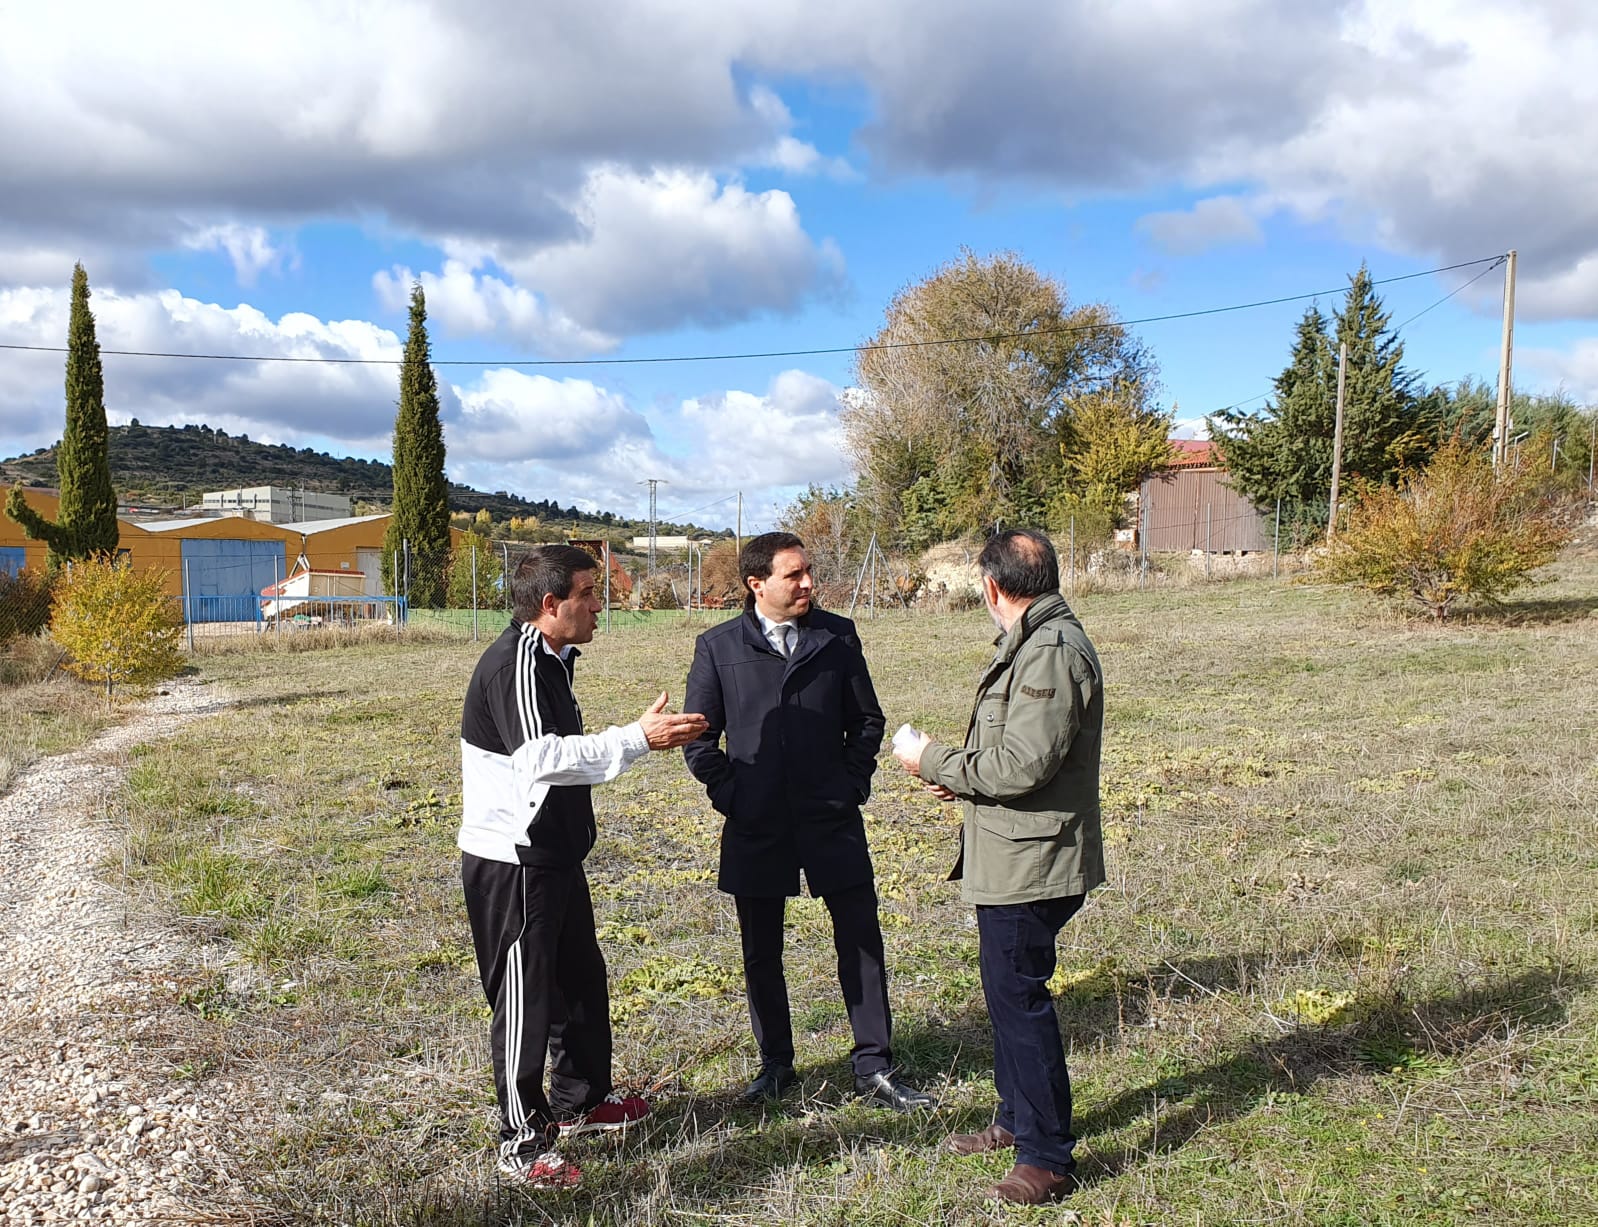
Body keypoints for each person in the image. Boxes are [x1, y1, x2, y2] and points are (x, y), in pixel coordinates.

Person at [458, 545, 708, 1189]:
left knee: (579, 980)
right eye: (590, 594)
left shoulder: (553, 660)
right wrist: (634, 738)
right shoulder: (515, 663)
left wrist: (632, 740)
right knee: (526, 996)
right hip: (513, 862)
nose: (602, 606)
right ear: (550, 606)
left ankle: (584, 1102)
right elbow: (539, 758)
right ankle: (521, 1139)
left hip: (556, 855)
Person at [683, 532, 933, 1113]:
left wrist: (850, 785)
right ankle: (775, 1066)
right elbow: (700, 739)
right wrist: (733, 796)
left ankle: (874, 1065)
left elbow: (866, 719)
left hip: (830, 817)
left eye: (808, 572)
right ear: (756, 584)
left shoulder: (837, 635)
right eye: (793, 575)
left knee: (861, 941)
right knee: (760, 950)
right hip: (757, 823)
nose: (808, 584)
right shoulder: (718, 647)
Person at [892, 528, 1104, 1206]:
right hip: (1014, 851)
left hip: (1031, 860)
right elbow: (1015, 756)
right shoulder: (1036, 641)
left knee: (1021, 1004)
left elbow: (1024, 764)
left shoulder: (1050, 651)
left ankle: (1046, 1157)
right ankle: (1017, 1119)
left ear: (992, 586)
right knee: (1007, 995)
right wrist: (964, 777)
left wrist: (932, 760)